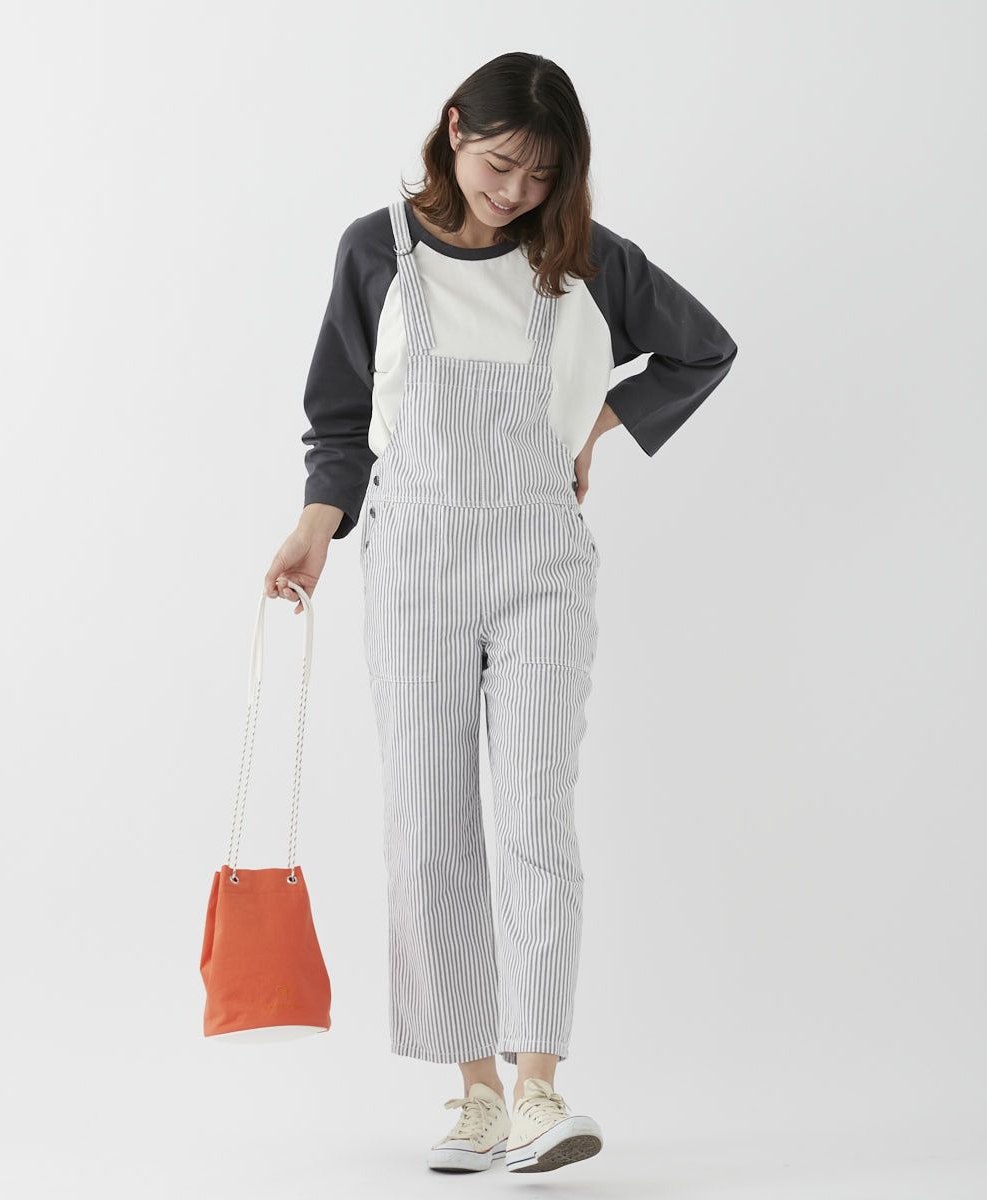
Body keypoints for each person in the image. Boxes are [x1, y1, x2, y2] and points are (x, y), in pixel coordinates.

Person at [264, 51, 737, 1175]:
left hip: (540, 566)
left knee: (534, 819)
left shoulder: (585, 261)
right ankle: (473, 1093)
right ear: (454, 129)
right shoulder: (375, 251)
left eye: (541, 175)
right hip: (414, 563)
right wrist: (316, 527)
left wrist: (596, 425)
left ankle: (538, 1092)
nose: (517, 191)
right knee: (428, 828)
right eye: (501, 164)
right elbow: (340, 417)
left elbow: (702, 349)